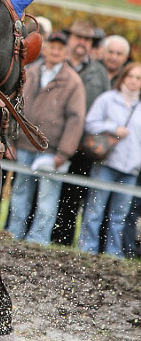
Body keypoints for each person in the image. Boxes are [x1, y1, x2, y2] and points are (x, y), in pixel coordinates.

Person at [5, 32, 86, 245]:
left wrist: (64, 153)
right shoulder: (29, 72)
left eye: (61, 48)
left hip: (51, 152)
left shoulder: (73, 81)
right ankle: (14, 234)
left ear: (66, 52)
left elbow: (76, 120)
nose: (56, 51)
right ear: (46, 48)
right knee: (20, 193)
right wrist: (10, 142)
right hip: (23, 144)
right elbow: (15, 107)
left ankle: (38, 240)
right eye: (52, 46)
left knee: (46, 199)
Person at [52, 20, 111, 246]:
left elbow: (106, 106)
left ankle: (62, 242)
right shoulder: (55, 63)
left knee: (73, 195)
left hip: (83, 146)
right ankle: (32, 235)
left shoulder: (99, 72)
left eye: (87, 40)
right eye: (78, 37)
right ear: (70, 39)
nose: (82, 43)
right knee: (41, 190)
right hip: (52, 141)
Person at [77, 62, 141, 257]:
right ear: (124, 77)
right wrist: (112, 128)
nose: (133, 81)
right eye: (131, 76)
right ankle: (87, 249)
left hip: (131, 167)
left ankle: (113, 253)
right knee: (95, 209)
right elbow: (90, 123)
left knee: (119, 215)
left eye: (138, 78)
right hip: (106, 163)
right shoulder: (107, 99)